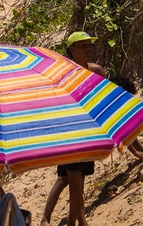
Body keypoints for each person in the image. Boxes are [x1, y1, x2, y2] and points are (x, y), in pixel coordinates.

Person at [41, 31, 105, 226]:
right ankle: (79, 222)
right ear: (71, 49)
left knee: (74, 178)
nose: (89, 48)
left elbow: (105, 99)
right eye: (83, 45)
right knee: (73, 176)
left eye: (90, 44)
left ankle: (69, 221)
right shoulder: (62, 72)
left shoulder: (96, 71)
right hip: (67, 131)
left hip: (87, 130)